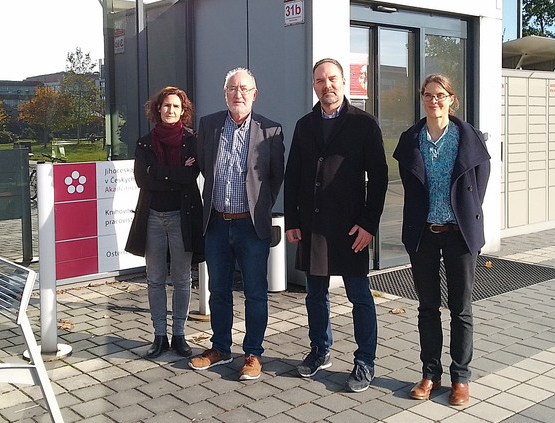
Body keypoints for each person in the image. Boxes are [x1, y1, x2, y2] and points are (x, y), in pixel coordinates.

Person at [284, 58, 388, 393]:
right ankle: (319, 350)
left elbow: (381, 178)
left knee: (359, 295)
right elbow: (293, 176)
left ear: (343, 82)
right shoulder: (304, 124)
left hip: (350, 228)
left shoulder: (363, 123)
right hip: (313, 223)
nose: (326, 86)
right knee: (315, 293)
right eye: (319, 81)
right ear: (313, 85)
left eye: (332, 79)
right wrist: (293, 220)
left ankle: (365, 361)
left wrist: (368, 223)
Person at [392, 73, 490, 406]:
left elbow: (480, 179)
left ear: (451, 99)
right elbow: (409, 182)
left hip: (459, 234)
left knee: (461, 308)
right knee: (427, 308)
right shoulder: (412, 138)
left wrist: (467, 212)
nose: (433, 101)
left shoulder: (466, 137)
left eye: (439, 95)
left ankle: (460, 378)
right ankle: (429, 374)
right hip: (425, 235)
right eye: (427, 95)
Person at [189, 68, 284, 381]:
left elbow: (274, 177)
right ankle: (220, 347)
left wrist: (260, 209)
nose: (238, 94)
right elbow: (203, 165)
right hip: (216, 223)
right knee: (218, 291)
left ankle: (253, 353)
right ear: (225, 93)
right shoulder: (209, 125)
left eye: (244, 88)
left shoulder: (271, 130)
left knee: (256, 292)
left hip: (251, 227)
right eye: (232, 88)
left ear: (254, 94)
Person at [125, 86, 204, 359]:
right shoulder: (145, 142)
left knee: (182, 279)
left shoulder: (193, 140)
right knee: (155, 279)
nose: (170, 110)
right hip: (153, 219)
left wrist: (159, 172)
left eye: (175, 106)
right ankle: (159, 335)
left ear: (184, 111)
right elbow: (142, 180)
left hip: (182, 217)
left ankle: (179, 335)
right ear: (158, 109)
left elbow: (191, 175)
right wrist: (175, 173)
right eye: (166, 106)